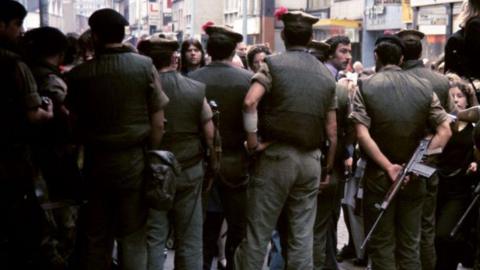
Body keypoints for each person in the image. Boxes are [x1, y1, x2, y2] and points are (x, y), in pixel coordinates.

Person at [234, 8, 337, 270]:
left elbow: (249, 102)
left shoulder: (274, 64)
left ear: (284, 36)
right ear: (311, 36)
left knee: (258, 234)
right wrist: (327, 167)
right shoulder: (326, 75)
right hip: (311, 161)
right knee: (302, 236)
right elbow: (332, 131)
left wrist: (253, 142)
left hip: (276, 158)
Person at [66, 9, 169, 270]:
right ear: (123, 35)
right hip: (134, 159)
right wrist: (151, 154)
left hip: (95, 163)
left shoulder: (79, 75)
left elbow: (73, 125)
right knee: (132, 234)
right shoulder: (144, 66)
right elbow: (158, 122)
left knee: (96, 234)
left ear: (95, 36)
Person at [351, 35, 452, 270]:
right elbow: (445, 130)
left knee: (382, 243)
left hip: (379, 176)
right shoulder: (424, 88)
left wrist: (388, 166)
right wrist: (418, 163)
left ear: (376, 56)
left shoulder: (365, 86)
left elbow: (362, 134)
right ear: (402, 58)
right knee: (410, 243)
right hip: (414, 177)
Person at [138, 36, 215, 270]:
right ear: (175, 58)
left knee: (154, 234)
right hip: (189, 168)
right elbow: (209, 132)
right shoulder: (194, 88)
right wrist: (212, 161)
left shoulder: (143, 89)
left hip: (151, 170)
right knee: (190, 236)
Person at [189, 23, 252, 270]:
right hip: (237, 162)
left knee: (205, 227)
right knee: (238, 228)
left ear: (208, 50)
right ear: (233, 49)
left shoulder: (191, 80)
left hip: (202, 162)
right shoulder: (247, 80)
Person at [395, 28, 456, 270]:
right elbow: (451, 120)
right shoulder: (440, 81)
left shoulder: (395, 80)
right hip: (430, 158)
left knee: (401, 224)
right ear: (421, 50)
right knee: (426, 224)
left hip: (398, 159)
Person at [23, 26, 82, 268]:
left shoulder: (23, 74)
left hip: (29, 162)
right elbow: (68, 122)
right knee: (62, 229)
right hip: (55, 162)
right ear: (60, 52)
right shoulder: (52, 82)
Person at [0, 1, 54, 268]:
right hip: (11, 156)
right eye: (17, 24)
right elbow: (33, 115)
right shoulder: (13, 64)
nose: (20, 31)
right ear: (3, 25)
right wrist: (49, 112)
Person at [435, 80, 478, 270]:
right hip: (438, 183)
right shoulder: (442, 124)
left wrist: (476, 163)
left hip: (460, 188)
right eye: (451, 97)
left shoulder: (474, 128)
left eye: (460, 96)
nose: (456, 100)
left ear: (468, 100)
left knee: (445, 234)